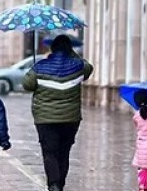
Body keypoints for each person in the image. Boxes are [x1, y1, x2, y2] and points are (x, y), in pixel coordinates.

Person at [22, 34, 93, 191]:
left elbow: (27, 84)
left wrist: (33, 68)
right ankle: (59, 183)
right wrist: (72, 53)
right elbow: (89, 67)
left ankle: (54, 185)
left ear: (52, 48)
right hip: (70, 118)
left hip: (45, 119)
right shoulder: (78, 66)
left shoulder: (40, 66)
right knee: (64, 152)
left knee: (50, 152)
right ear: (70, 49)